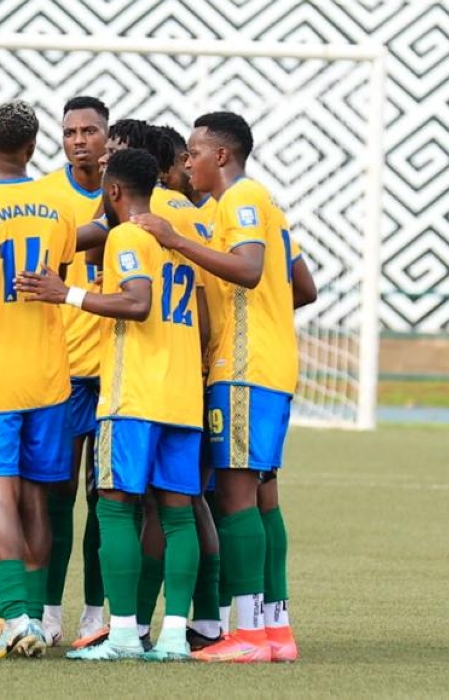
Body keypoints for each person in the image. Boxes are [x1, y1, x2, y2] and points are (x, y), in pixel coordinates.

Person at [131, 111, 317, 663]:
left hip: (242, 367)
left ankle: (249, 633)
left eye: (194, 152)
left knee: (234, 498)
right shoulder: (257, 206)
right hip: (268, 365)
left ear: (221, 155)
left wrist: (174, 240)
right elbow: (302, 286)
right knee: (261, 498)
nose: (187, 162)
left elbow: (250, 269)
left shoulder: (241, 199)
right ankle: (275, 630)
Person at [16, 148, 205, 662]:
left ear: (114, 190)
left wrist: (67, 294)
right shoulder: (177, 235)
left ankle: (120, 635)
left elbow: (138, 302)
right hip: (183, 396)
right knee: (177, 517)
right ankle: (172, 636)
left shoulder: (126, 235)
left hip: (134, 396)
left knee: (115, 507)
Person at [0, 100, 77, 659]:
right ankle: (38, 618)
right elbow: (61, 274)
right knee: (37, 500)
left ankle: (14, 617)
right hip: (49, 375)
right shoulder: (58, 207)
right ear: (33, 146)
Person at [38, 95, 110, 648]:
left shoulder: (130, 192)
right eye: (70, 132)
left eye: (89, 130)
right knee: (56, 495)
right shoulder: (46, 196)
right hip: (60, 372)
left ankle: (94, 611)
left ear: (107, 136)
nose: (79, 140)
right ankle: (47, 611)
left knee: (104, 499)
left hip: (113, 372)